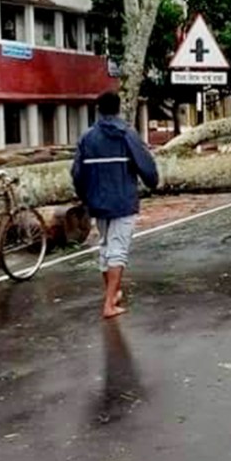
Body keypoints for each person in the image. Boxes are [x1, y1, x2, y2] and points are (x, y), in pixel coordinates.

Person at [72, 91, 160, 319]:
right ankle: (109, 305)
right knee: (118, 250)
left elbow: (77, 173)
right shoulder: (127, 134)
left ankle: (113, 293)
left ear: (98, 109)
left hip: (98, 203)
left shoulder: (87, 137)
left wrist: (85, 198)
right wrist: (153, 182)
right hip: (123, 201)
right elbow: (146, 164)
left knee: (105, 247)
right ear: (119, 108)